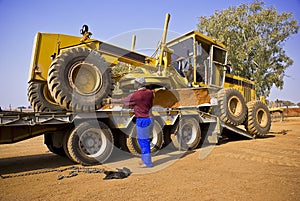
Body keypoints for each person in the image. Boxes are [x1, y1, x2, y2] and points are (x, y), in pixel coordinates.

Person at [112, 76, 154, 168]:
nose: (134, 84)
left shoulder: (136, 95)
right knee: (145, 141)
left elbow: (124, 101)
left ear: (138, 84)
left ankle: (147, 163)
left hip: (142, 120)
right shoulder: (150, 93)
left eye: (135, 83)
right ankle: (145, 160)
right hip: (150, 119)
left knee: (143, 141)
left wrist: (112, 100)